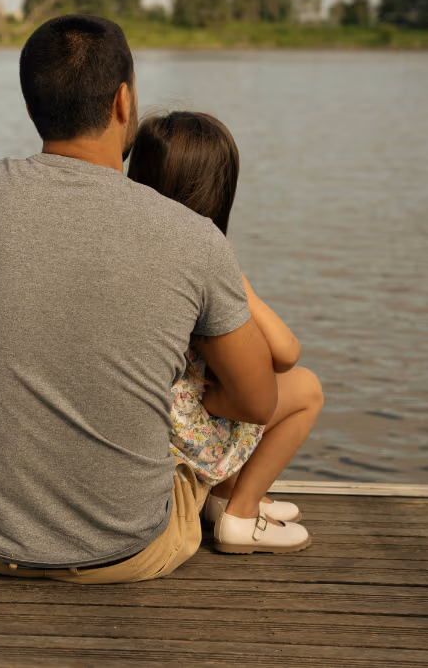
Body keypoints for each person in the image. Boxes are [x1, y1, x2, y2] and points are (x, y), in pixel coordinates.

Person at [0, 14, 291, 584]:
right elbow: (258, 402)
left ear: (31, 109)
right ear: (124, 101)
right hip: (135, 552)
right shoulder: (191, 235)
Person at [127, 111, 323, 553]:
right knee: (305, 389)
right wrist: (243, 286)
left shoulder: (131, 255)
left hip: (150, 429)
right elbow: (286, 353)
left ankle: (220, 499)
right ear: (219, 192)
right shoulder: (207, 264)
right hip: (186, 441)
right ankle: (242, 515)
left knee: (227, 390)